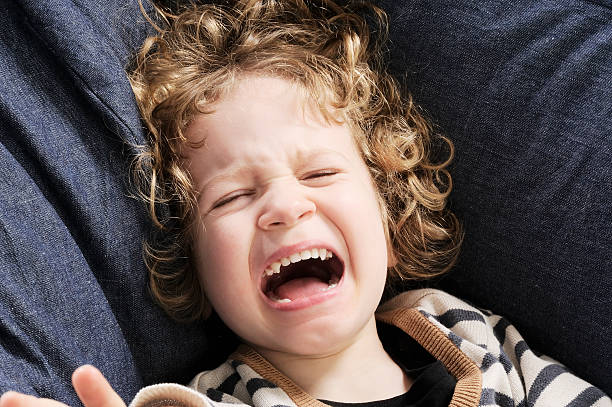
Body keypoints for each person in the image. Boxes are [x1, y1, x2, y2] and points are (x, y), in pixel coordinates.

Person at [1, 0, 609, 406]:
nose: (285, 206)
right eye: (233, 196)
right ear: (195, 269)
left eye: (319, 172)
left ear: (390, 212)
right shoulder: (225, 395)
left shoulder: (470, 334)